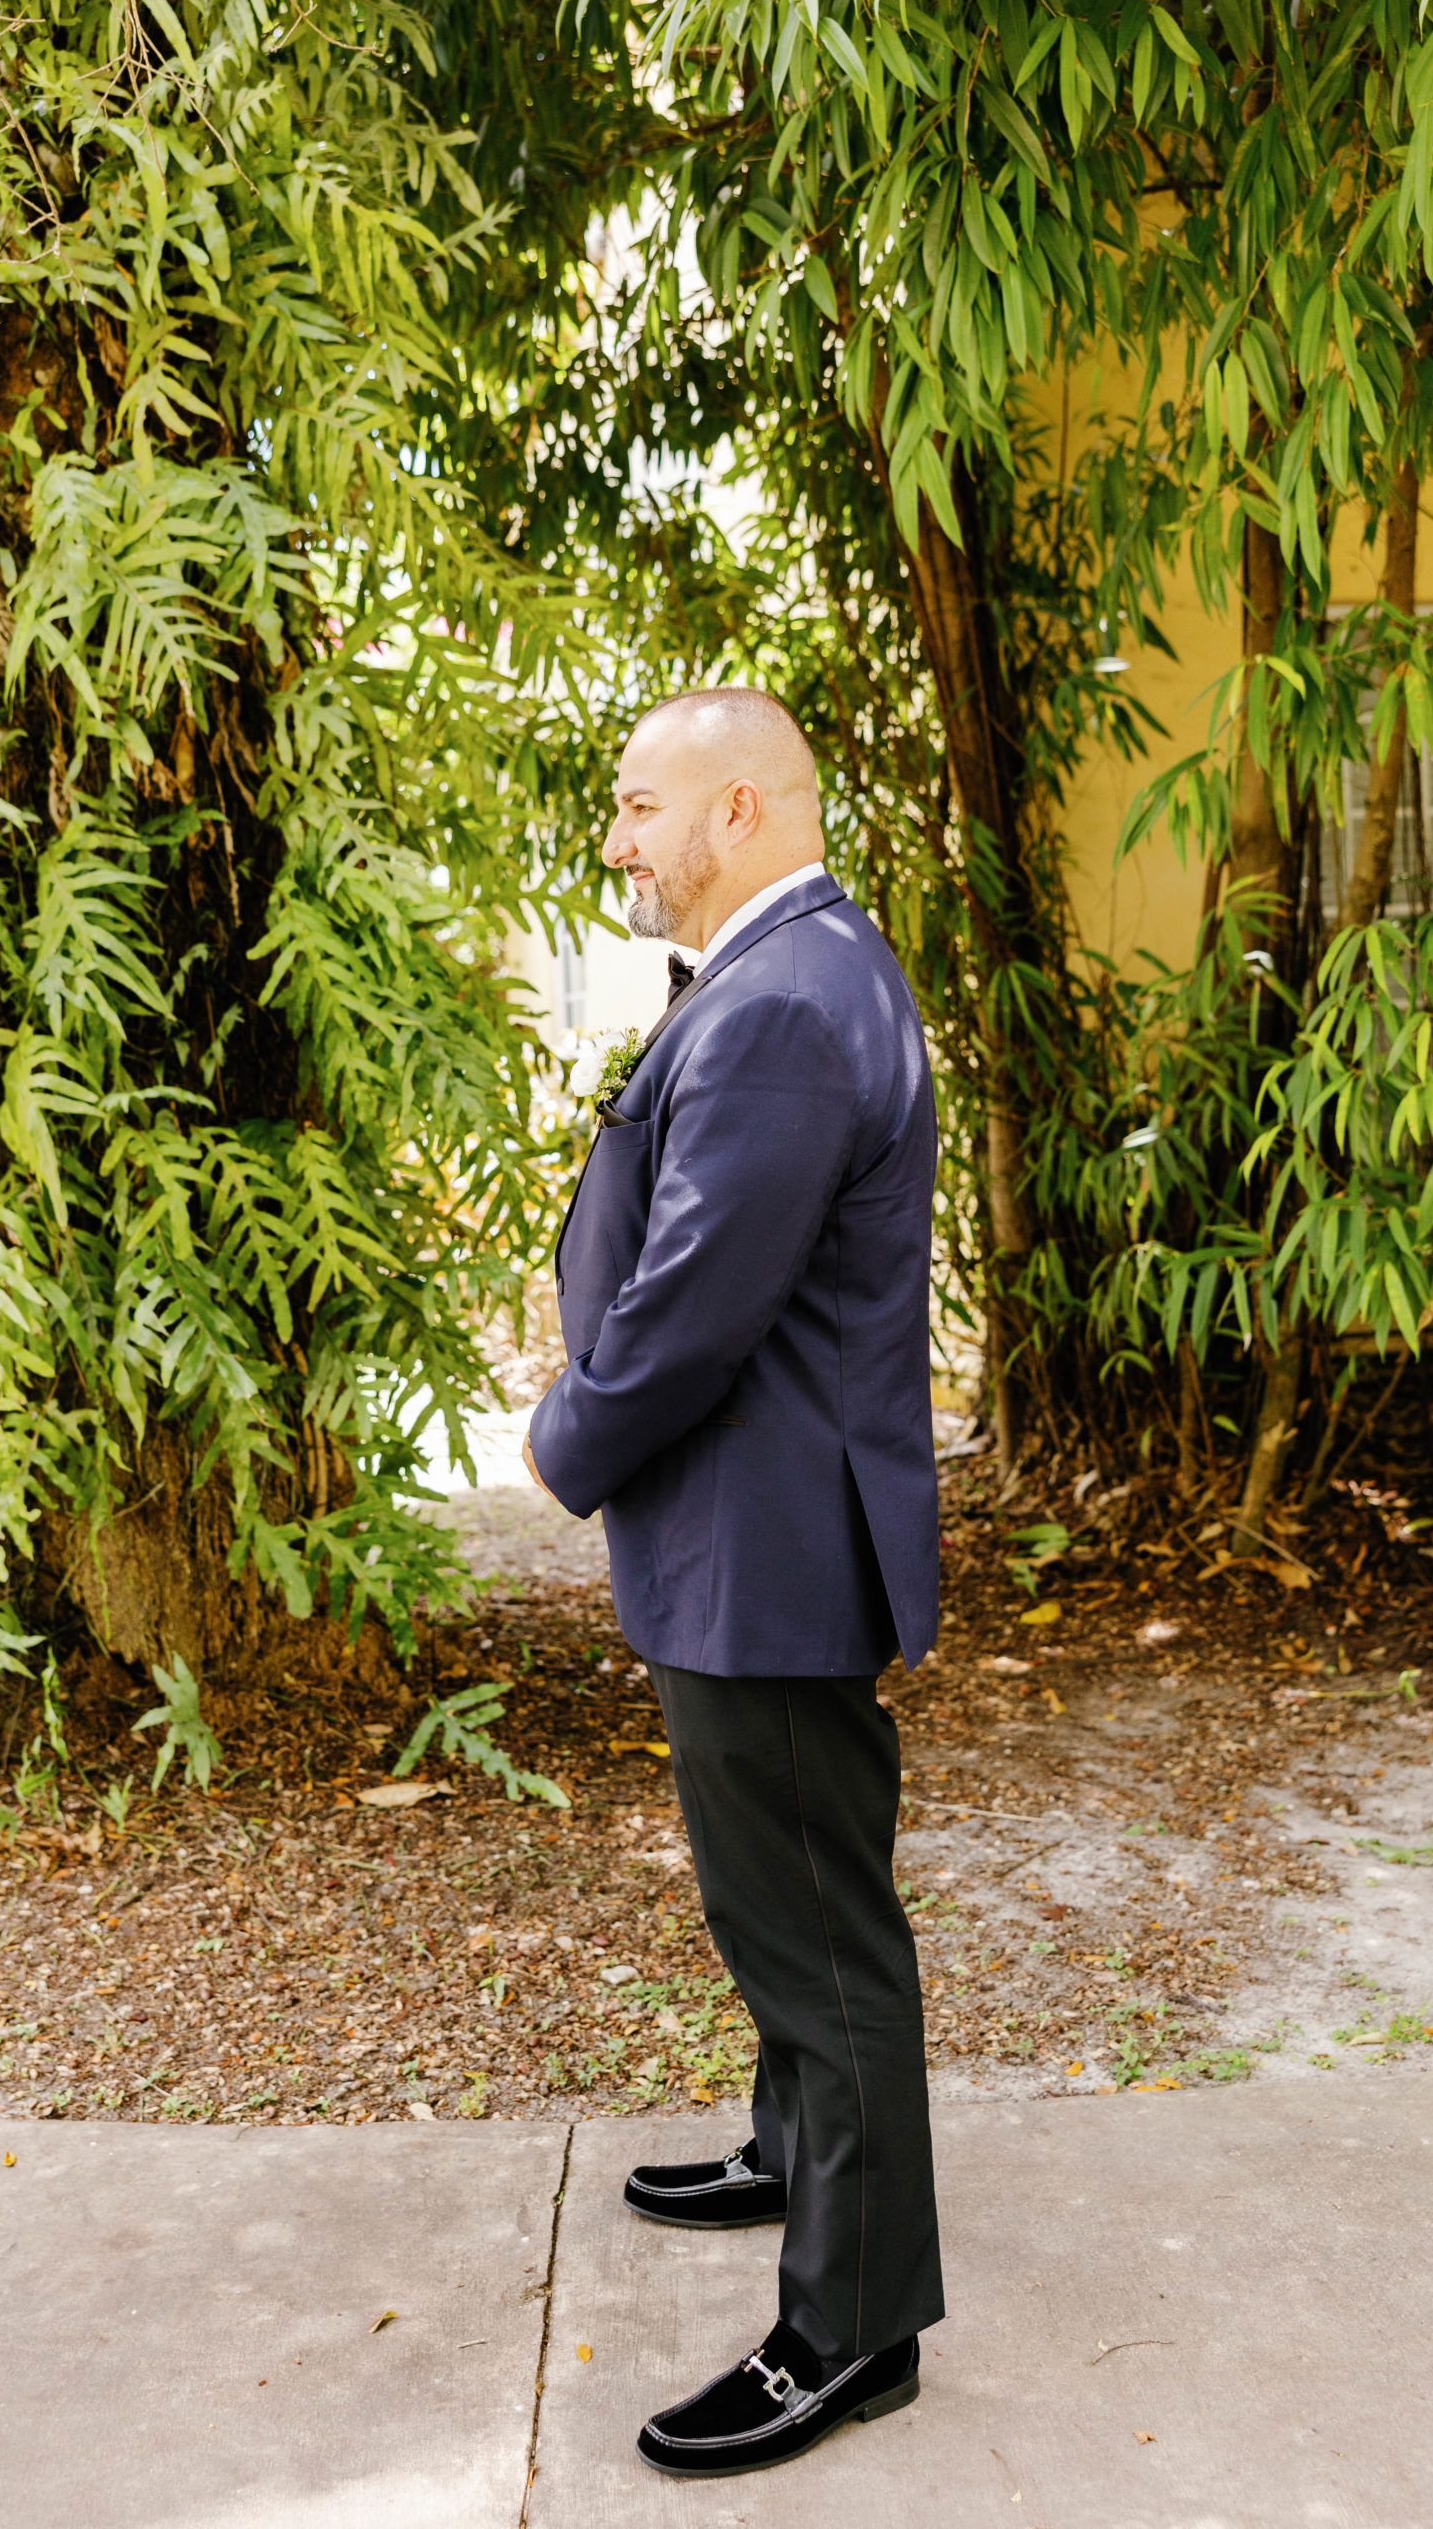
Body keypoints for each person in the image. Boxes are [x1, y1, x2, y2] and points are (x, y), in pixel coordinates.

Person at [523, 687, 944, 2479]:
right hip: (758, 1531)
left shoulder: (781, 1008)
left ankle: (850, 2329)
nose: (616, 841)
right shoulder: (807, 967)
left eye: (637, 808)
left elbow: (695, 1301)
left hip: (764, 1552)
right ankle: (789, 2147)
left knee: (816, 1938)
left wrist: (561, 1445)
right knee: (778, 1901)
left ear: (744, 813)